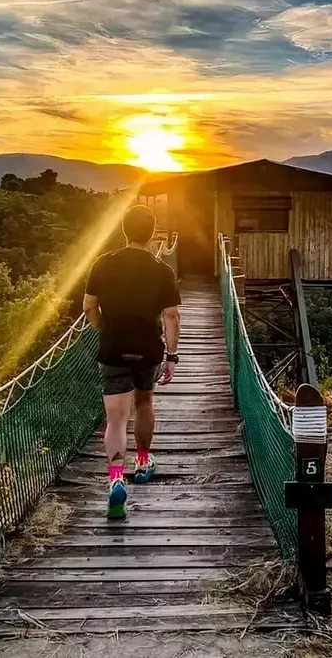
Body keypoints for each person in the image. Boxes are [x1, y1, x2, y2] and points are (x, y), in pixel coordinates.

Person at [83, 204, 181, 519]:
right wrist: (172, 356)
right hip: (148, 348)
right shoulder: (162, 269)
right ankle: (142, 460)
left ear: (124, 230)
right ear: (152, 234)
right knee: (144, 403)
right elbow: (172, 315)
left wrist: (105, 329)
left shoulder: (102, 263)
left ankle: (115, 479)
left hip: (112, 348)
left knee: (115, 419)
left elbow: (88, 307)